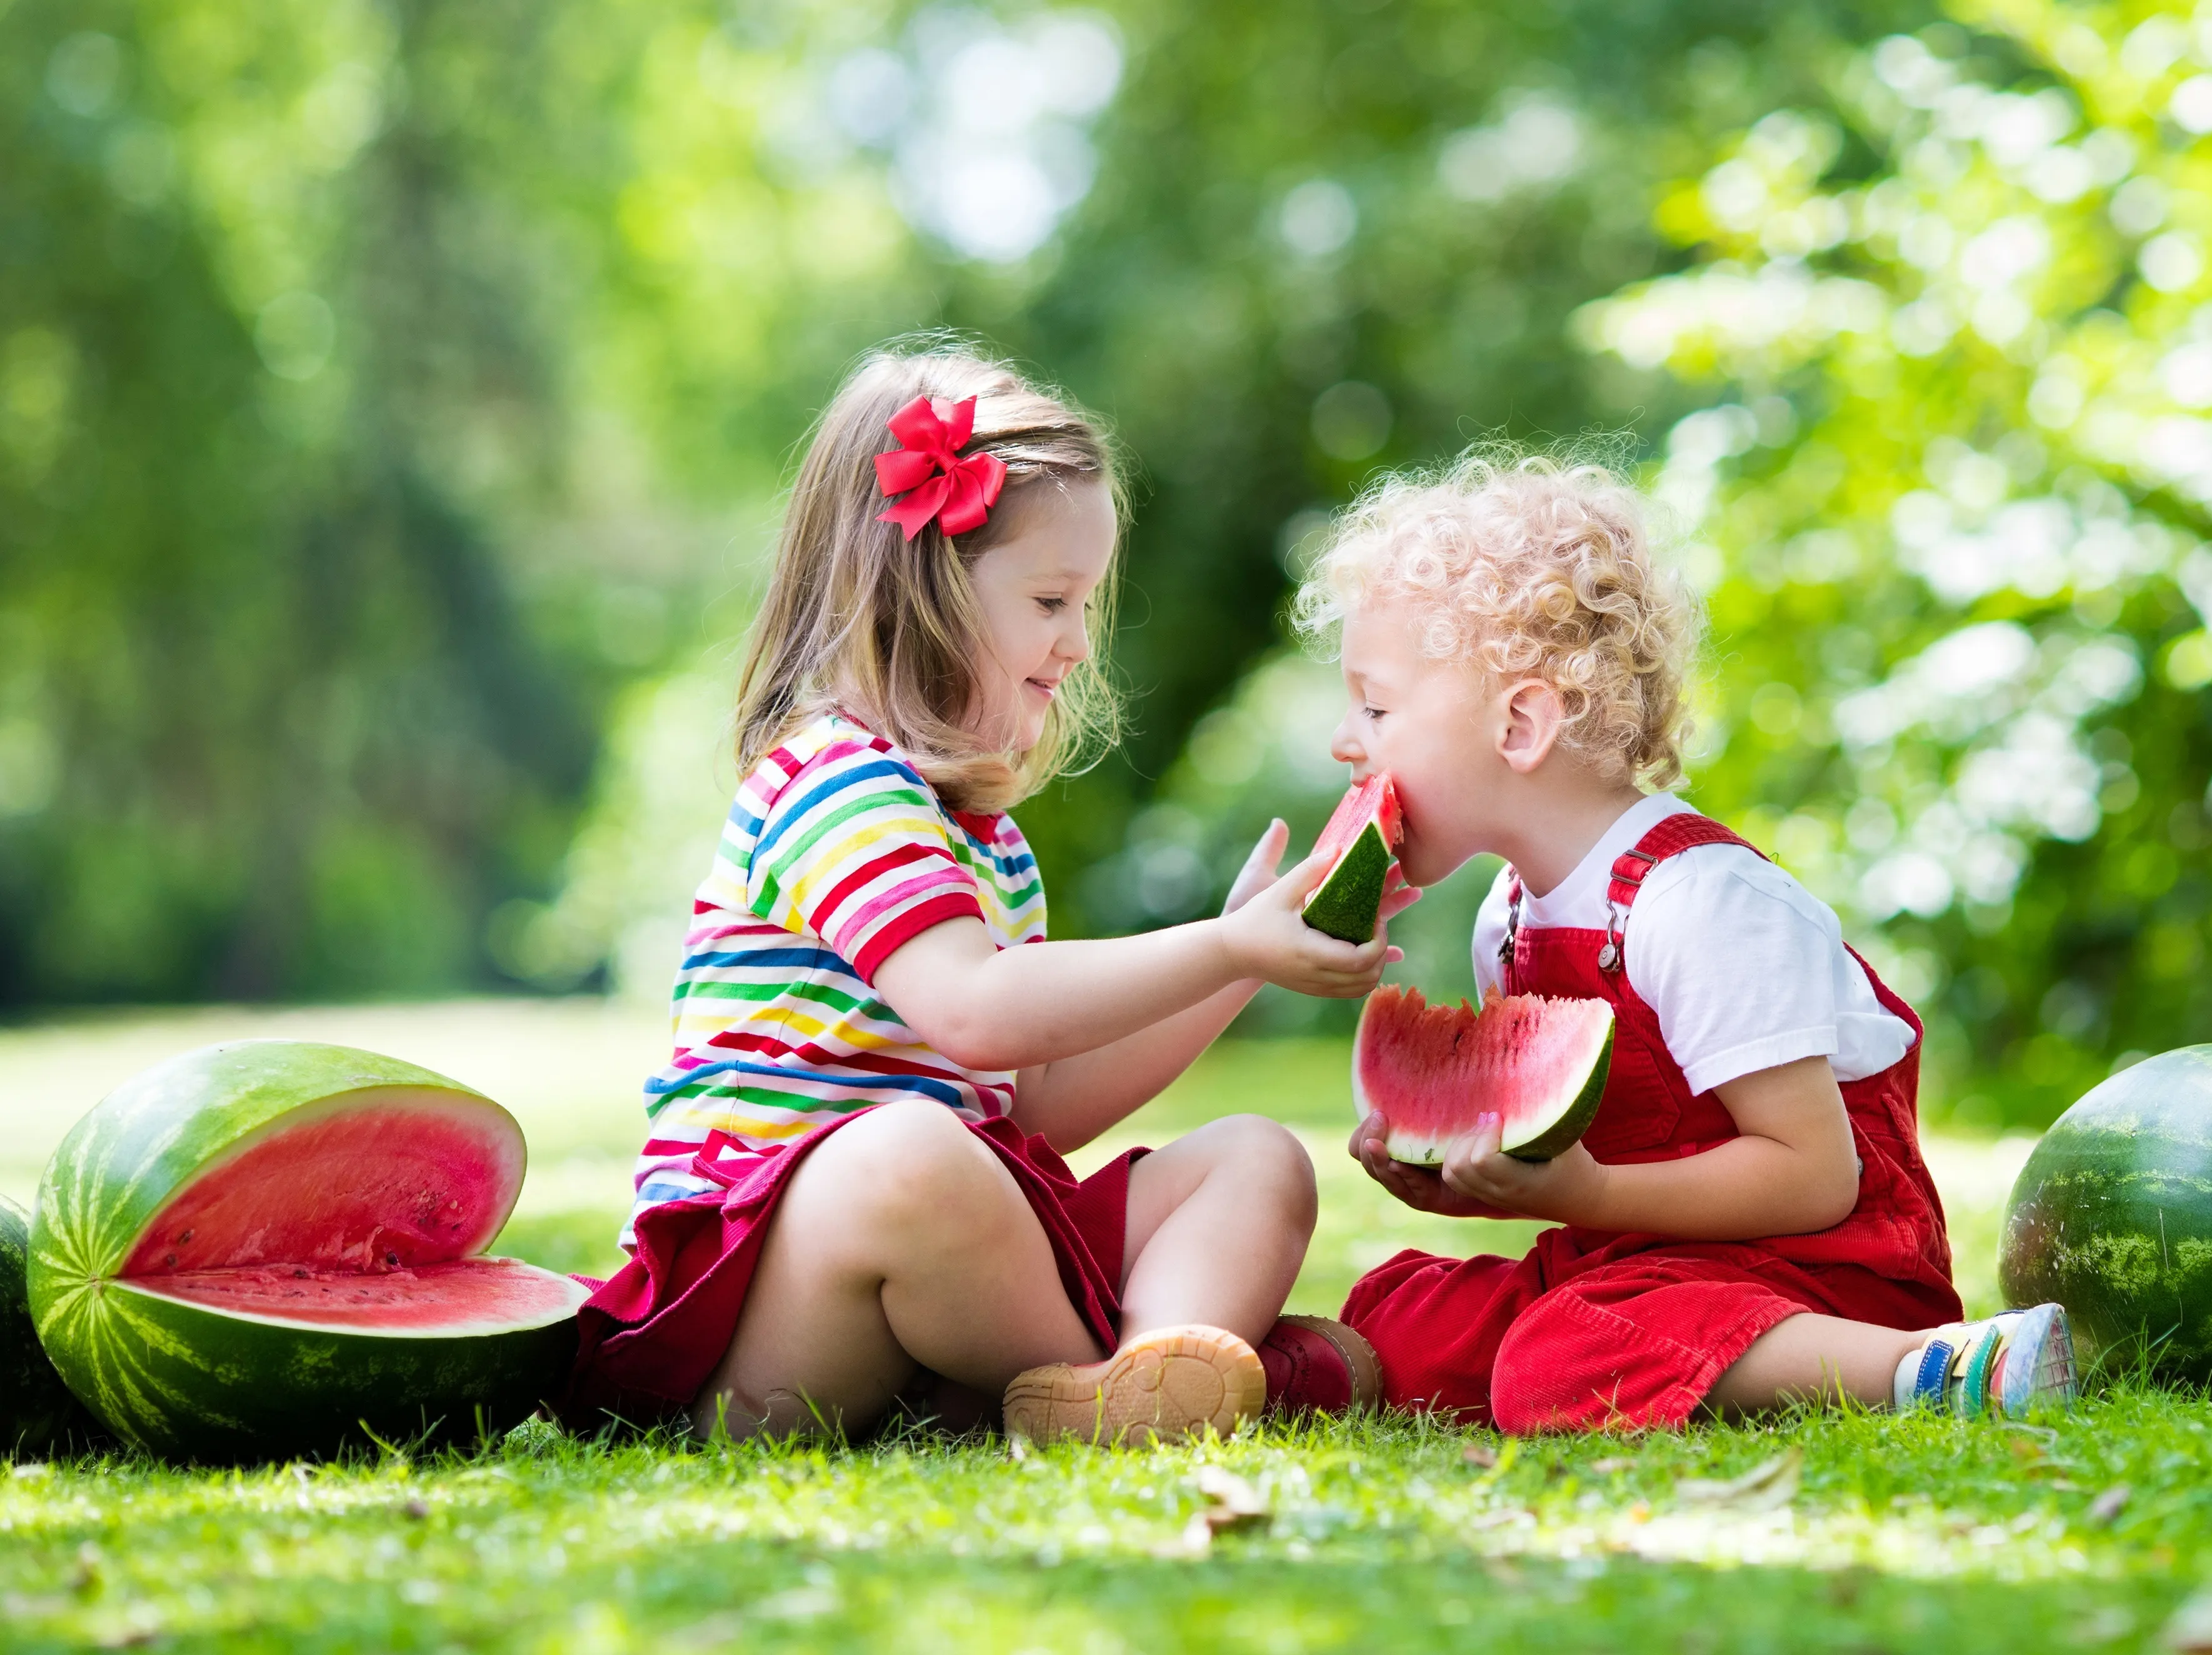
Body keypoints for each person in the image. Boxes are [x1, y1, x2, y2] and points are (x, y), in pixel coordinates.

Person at [567, 344, 1387, 1446]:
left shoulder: (983, 839)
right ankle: (1128, 1380)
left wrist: (1241, 967)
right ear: (923, 585)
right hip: (764, 1317)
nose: (1077, 643)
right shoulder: (836, 782)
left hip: (950, 1285)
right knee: (913, 1153)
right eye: (1052, 599)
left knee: (1258, 1158)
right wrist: (1225, 946)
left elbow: (1035, 1107)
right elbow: (971, 1006)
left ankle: (1135, 1381)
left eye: (1085, 603)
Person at [1297, 452, 2075, 1433]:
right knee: (1404, 1309)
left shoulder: (1698, 903)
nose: (1344, 740)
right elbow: (1567, 1160)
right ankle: (1280, 1370)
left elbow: (1813, 1178)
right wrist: (1469, 1183)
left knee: (1556, 1355)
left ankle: (1930, 1368)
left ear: (1522, 722)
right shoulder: (1511, 916)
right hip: (1641, 1260)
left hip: (1823, 1270)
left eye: (1376, 706)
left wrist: (1593, 1191)